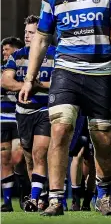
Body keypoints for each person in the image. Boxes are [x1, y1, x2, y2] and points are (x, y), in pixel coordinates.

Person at [18, 0, 111, 217]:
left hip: (101, 74)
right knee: (60, 129)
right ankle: (56, 199)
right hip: (66, 72)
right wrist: (30, 77)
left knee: (103, 138)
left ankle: (103, 196)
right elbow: (42, 40)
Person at [2, 16, 55, 212]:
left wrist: (38, 85)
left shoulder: (54, 55)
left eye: (31, 33)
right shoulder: (19, 56)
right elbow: (6, 81)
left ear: (42, 35)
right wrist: (25, 85)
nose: (26, 36)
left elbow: (59, 83)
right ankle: (40, 196)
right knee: (29, 159)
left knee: (39, 153)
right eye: (25, 32)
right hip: (22, 112)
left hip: (44, 110)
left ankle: (34, 199)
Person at [0, 36, 25, 212]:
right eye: (3, 51)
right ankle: (7, 202)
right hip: (2, 118)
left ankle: (26, 193)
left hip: (19, 118)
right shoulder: (3, 71)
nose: (3, 53)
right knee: (4, 160)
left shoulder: (24, 69)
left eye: (7, 50)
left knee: (19, 159)